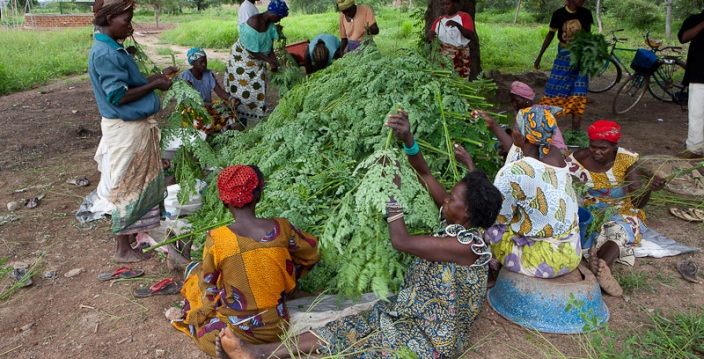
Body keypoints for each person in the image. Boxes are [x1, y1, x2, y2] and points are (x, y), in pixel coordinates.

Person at [212, 109, 503, 359]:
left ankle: (260, 353)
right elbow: (426, 175)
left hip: (433, 334)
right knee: (347, 328)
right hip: (412, 312)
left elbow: (401, 241)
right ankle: (259, 353)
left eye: (452, 199)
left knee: (365, 343)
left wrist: (391, 192)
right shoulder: (461, 221)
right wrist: (408, 141)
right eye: (449, 195)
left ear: (467, 214)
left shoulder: (467, 246)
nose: (446, 199)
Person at [172, 164, 320, 357]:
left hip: (236, 329)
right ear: (258, 195)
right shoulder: (282, 228)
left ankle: (184, 264)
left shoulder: (217, 238)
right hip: (277, 326)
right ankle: (183, 263)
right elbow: (312, 253)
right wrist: (286, 277)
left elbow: (210, 285)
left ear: (224, 201)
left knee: (198, 287)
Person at [86, 0, 178, 263]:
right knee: (125, 182)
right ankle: (122, 249)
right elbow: (118, 95)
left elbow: (130, 85)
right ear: (108, 19)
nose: (130, 25)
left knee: (136, 180)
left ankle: (135, 237)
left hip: (133, 128)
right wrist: (155, 84)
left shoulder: (113, 48)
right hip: (125, 130)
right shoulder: (104, 53)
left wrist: (157, 77)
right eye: (126, 20)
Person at [565, 120, 665, 296]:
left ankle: (602, 265)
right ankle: (603, 270)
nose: (596, 152)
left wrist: (648, 188)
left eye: (602, 148)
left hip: (621, 209)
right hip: (592, 210)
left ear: (614, 146)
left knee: (619, 229)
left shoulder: (626, 160)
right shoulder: (580, 158)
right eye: (593, 146)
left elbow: (637, 203)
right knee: (593, 232)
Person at [484, 106, 582, 279]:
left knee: (487, 225)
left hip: (544, 261)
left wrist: (471, 167)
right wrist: (493, 126)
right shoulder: (554, 153)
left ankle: (493, 267)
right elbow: (522, 154)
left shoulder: (515, 172)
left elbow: (497, 216)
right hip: (571, 251)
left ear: (522, 136)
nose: (512, 131)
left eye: (515, 128)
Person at [534, 0, 594, 131]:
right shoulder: (559, 14)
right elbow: (550, 35)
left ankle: (575, 130)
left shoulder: (586, 14)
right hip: (564, 57)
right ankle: (546, 127)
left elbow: (587, 35)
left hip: (580, 58)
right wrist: (539, 56)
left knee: (579, 92)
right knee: (555, 88)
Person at [224, 0, 288, 123]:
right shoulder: (253, 23)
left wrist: (274, 62)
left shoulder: (270, 26)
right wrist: (269, 61)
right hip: (241, 60)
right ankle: (238, 119)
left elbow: (268, 47)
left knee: (257, 89)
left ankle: (255, 118)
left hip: (257, 60)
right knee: (241, 90)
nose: (279, 20)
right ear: (273, 13)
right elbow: (251, 50)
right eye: (279, 17)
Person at [473, 81, 567, 163]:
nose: (514, 104)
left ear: (526, 101)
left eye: (516, 101)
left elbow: (528, 145)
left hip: (554, 153)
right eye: (512, 101)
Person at [179, 48, 243, 134]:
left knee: (229, 105)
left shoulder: (208, 74)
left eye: (205, 61)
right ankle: (210, 130)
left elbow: (220, 92)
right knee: (202, 118)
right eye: (200, 62)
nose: (204, 64)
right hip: (192, 108)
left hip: (207, 105)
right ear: (193, 63)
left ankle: (224, 127)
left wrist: (231, 99)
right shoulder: (186, 77)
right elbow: (194, 103)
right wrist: (215, 105)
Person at [426, 0, 477, 78]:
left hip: (459, 58)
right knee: (443, 80)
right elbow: (430, 37)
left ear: (456, 3)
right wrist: (429, 37)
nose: (445, 7)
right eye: (442, 5)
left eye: (448, 4)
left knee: (458, 80)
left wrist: (457, 25)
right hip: (442, 58)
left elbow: (470, 35)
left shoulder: (464, 17)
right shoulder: (439, 20)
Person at [677, 0, 704, 159]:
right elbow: (683, 38)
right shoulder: (695, 19)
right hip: (699, 75)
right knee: (697, 113)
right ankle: (695, 148)